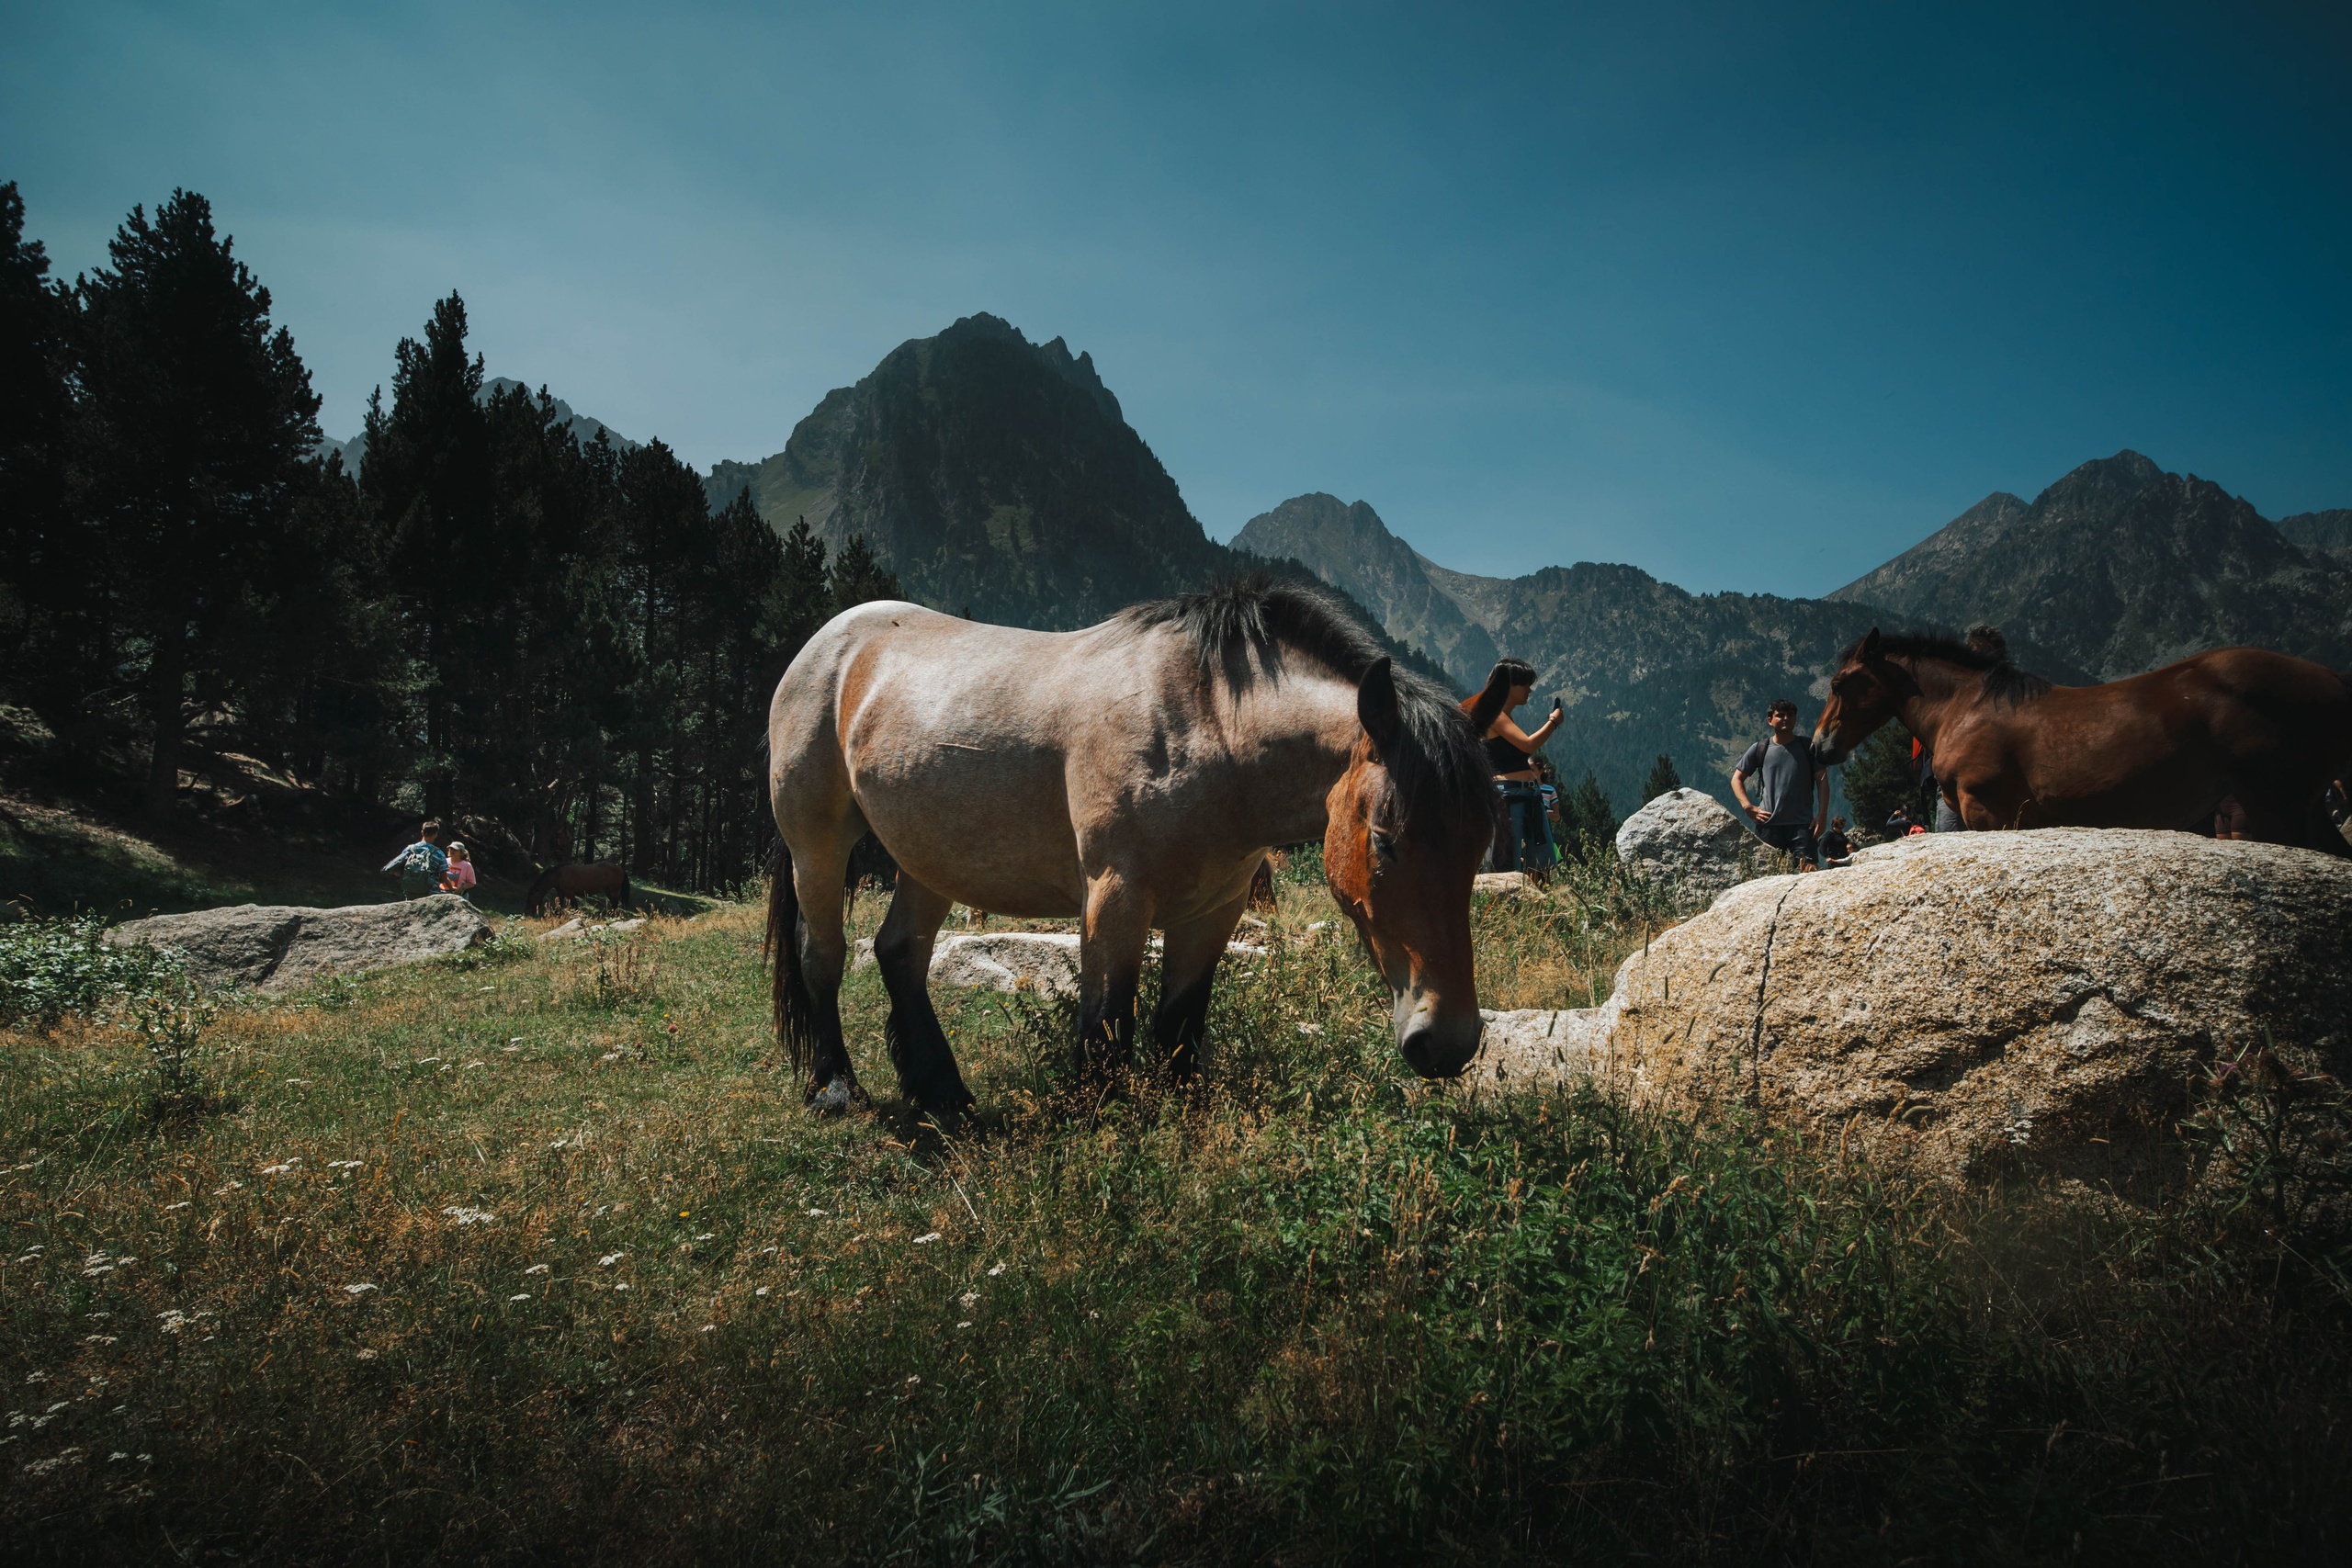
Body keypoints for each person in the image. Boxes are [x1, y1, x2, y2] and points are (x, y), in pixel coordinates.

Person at [1478, 658, 1564, 876]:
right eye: (1524, 683)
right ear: (1507, 684)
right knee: (1508, 864)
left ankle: (1536, 906)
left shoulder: (1503, 716)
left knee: (1538, 866)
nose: (1529, 689)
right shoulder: (1495, 715)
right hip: (1509, 796)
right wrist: (1553, 722)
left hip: (1524, 794)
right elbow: (1528, 746)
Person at [1730, 698, 1828, 870]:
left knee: (1810, 872)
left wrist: (1822, 814)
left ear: (1795, 719)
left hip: (1803, 826)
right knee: (1768, 876)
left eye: (1790, 715)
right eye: (1780, 715)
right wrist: (1748, 807)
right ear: (1770, 720)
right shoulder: (1760, 748)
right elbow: (1736, 779)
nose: (1785, 719)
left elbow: (1823, 781)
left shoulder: (1808, 747)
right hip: (1769, 824)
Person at [382, 820, 448, 900]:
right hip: (431, 893)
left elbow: (398, 871)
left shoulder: (409, 849)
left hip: (410, 892)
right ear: (435, 834)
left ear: (422, 832)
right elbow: (443, 879)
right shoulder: (439, 853)